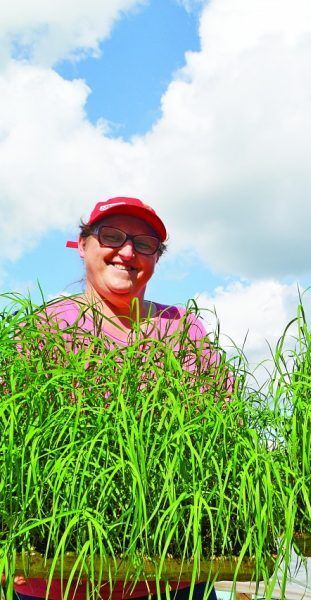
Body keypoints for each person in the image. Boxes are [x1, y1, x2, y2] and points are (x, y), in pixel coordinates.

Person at [13, 197, 218, 600]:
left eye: (144, 244)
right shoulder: (43, 330)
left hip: (172, 578)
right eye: (112, 236)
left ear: (156, 258)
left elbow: (222, 437)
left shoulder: (182, 329)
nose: (127, 252)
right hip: (60, 581)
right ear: (83, 243)